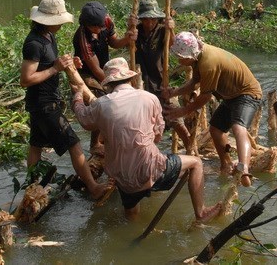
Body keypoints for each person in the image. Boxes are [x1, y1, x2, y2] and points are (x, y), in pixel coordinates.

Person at [71, 57, 221, 221]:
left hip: (122, 176)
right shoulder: (149, 98)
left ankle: (131, 227)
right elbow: (157, 135)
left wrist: (78, 96)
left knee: (131, 214)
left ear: (109, 84)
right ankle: (201, 212)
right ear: (131, 78)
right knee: (196, 163)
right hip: (151, 169)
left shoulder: (100, 104)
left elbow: (84, 120)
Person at [20, 0, 105, 200]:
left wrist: (70, 64)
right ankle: (93, 187)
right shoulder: (34, 43)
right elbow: (26, 79)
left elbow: (49, 66)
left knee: (36, 144)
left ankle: (31, 188)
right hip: (43, 104)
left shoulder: (49, 36)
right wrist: (55, 68)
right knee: (74, 143)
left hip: (45, 102)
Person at [163, 32, 262, 188]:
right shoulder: (198, 58)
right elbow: (195, 82)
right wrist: (174, 92)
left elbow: (205, 97)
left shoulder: (208, 63)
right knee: (216, 129)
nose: (178, 60)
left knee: (238, 127)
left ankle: (244, 168)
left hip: (247, 93)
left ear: (189, 56)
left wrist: (183, 111)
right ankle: (226, 164)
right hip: (230, 96)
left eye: (180, 56)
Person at [73, 1, 137, 148]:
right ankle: (95, 143)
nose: (100, 29)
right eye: (96, 27)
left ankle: (109, 136)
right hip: (87, 73)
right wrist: (113, 86)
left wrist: (127, 39)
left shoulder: (106, 21)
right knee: (99, 103)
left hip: (105, 68)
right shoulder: (82, 38)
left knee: (113, 101)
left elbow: (114, 43)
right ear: (86, 25)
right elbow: (95, 70)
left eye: (102, 26)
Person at [134, 0, 191, 151]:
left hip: (161, 83)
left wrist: (171, 29)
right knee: (145, 125)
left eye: (152, 19)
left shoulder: (162, 31)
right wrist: (129, 32)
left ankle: (192, 152)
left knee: (177, 121)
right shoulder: (136, 31)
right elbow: (127, 44)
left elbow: (174, 47)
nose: (149, 23)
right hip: (142, 86)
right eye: (145, 19)